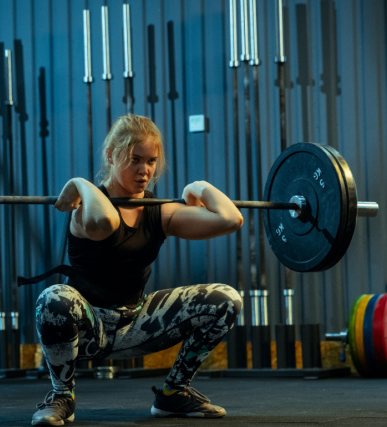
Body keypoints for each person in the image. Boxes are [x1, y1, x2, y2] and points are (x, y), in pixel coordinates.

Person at [31, 113, 243, 426]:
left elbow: (230, 220)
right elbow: (106, 222)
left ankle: (174, 392)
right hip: (89, 329)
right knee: (52, 298)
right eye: (134, 159)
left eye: (151, 161)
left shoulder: (160, 212)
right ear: (110, 155)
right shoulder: (87, 208)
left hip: (137, 324)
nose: (144, 171)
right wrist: (80, 183)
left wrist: (199, 186)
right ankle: (63, 396)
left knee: (227, 299)